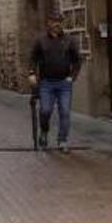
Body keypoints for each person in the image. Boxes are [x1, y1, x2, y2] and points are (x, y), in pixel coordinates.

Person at [29, 13, 82, 153]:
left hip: (64, 83)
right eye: (54, 21)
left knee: (65, 112)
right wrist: (32, 74)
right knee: (45, 110)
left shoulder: (69, 40)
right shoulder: (40, 40)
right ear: (48, 23)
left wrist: (72, 76)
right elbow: (33, 59)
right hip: (46, 83)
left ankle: (62, 140)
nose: (57, 24)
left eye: (59, 21)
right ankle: (44, 131)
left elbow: (77, 61)